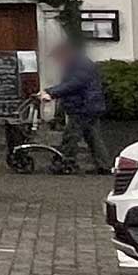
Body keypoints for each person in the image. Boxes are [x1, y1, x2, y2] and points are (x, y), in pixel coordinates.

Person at [45, 38, 111, 174]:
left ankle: (66, 163)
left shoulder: (80, 65)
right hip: (88, 106)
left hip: (83, 107)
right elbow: (70, 84)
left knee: (71, 136)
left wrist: (50, 92)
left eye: (58, 57)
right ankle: (104, 165)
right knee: (93, 137)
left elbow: (74, 84)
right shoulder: (78, 63)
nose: (58, 61)